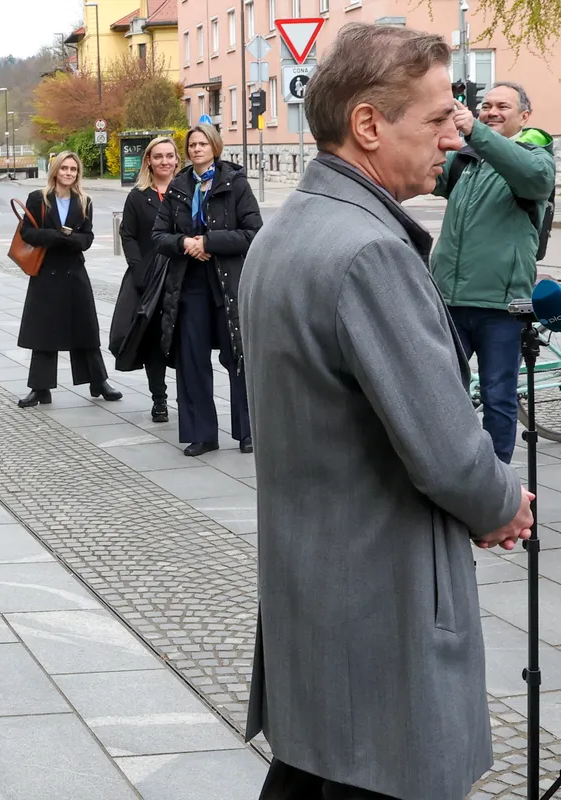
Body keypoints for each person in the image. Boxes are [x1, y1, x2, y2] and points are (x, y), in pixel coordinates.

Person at [239, 23, 533, 800]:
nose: (455, 135)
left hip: (314, 599)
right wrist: (505, 502)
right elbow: (447, 452)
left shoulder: (289, 230)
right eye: (438, 118)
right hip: (382, 619)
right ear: (368, 125)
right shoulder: (369, 251)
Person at [430, 82, 556, 463]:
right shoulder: (468, 159)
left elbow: (530, 175)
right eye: (485, 105)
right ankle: (448, 469)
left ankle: (498, 483)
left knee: (498, 396)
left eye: (503, 105)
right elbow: (425, 175)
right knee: (439, 393)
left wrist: (475, 131)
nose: (491, 111)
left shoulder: (536, 158)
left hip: (501, 306)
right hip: (449, 301)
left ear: (525, 116)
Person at [152, 123, 260, 455]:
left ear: (215, 147)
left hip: (227, 281)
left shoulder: (235, 183)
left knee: (237, 356)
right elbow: (158, 236)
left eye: (203, 144)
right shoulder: (179, 186)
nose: (197, 149)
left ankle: (246, 431)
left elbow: (253, 231)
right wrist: (186, 242)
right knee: (192, 358)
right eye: (193, 145)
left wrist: (209, 241)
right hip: (190, 284)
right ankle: (202, 434)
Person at [16, 151, 122, 408]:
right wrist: (54, 237)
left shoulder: (84, 200)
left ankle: (99, 382)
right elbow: (27, 232)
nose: (68, 173)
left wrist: (72, 240)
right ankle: (39, 388)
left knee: (85, 328)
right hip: (46, 272)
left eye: (73, 169)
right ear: (55, 170)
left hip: (74, 271)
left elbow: (88, 237)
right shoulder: (38, 198)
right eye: (64, 168)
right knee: (44, 332)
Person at [116, 135, 181, 423]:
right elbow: (127, 235)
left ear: (177, 159)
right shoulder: (138, 196)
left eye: (169, 156)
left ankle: (189, 398)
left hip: (183, 277)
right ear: (149, 162)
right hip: (149, 279)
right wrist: (139, 270)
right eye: (158, 156)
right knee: (154, 342)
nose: (164, 161)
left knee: (185, 340)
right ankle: (159, 399)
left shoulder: (187, 192)